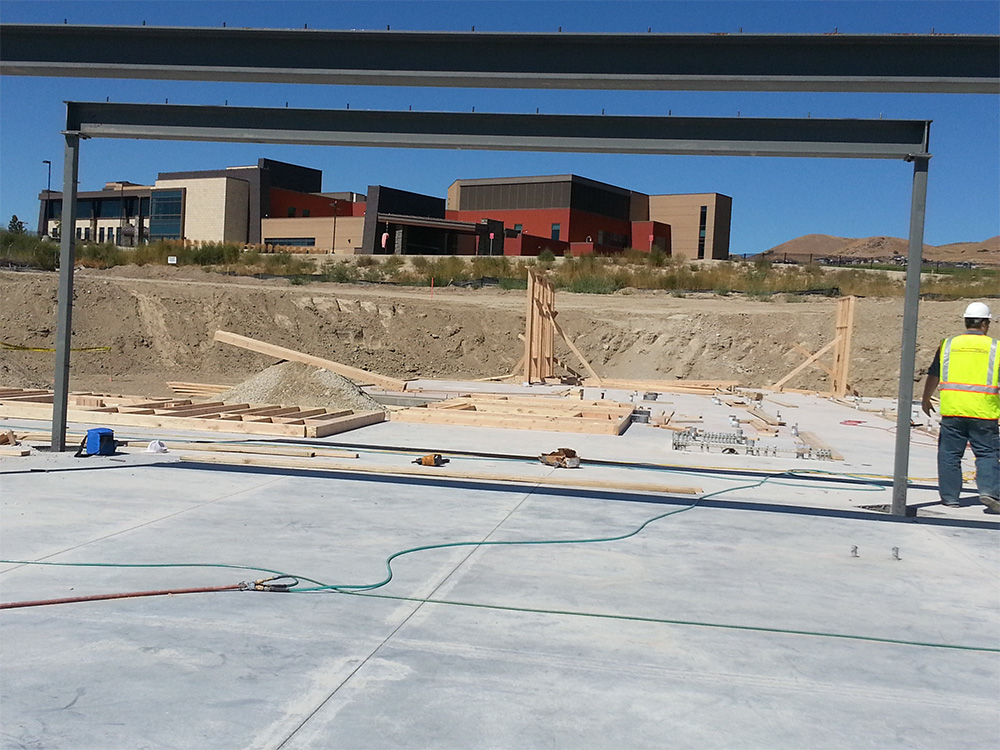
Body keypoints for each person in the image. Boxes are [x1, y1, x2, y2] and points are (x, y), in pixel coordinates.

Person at [921, 301, 1000, 512]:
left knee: (949, 455)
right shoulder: (996, 348)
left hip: (953, 411)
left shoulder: (948, 345)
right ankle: (989, 492)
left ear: (966, 322)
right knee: (987, 454)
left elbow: (934, 373)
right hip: (984, 412)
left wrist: (926, 398)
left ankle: (950, 498)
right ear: (985, 324)